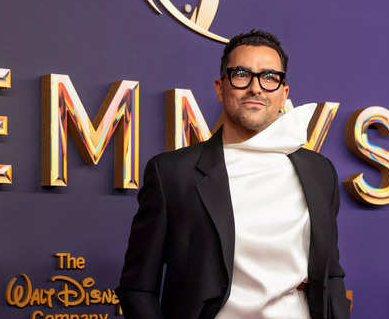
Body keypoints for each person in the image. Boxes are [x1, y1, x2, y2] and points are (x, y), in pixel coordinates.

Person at [117, 30, 350, 319]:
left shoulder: (319, 172)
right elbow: (137, 288)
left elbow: (331, 275)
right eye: (241, 75)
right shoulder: (172, 174)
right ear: (220, 87)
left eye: (269, 77)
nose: (256, 88)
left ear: (283, 93)